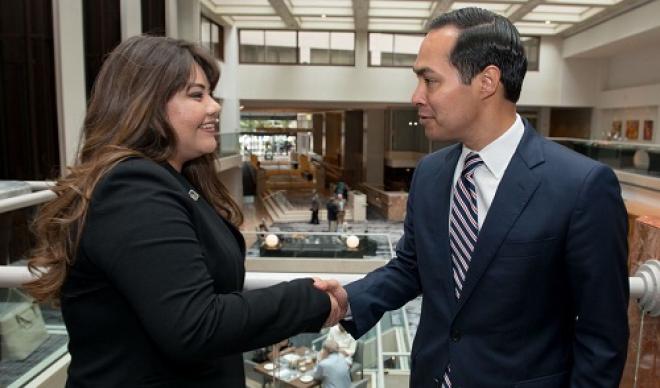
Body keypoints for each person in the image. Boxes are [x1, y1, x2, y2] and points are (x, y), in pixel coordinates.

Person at [316, 7, 629, 387]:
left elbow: (602, 335)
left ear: (486, 82)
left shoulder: (582, 186)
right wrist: (349, 299)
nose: (416, 96)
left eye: (430, 81)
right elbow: (412, 267)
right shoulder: (431, 175)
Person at [24, 36, 343, 387]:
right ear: (145, 104)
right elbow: (195, 326)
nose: (215, 107)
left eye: (210, 94)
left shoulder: (172, 183)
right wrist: (308, 301)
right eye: (196, 95)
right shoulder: (132, 188)